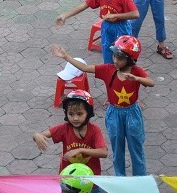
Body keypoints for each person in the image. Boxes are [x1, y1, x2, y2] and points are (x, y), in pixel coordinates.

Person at [52, 36, 154, 177]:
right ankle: (120, 179)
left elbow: (151, 82)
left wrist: (137, 79)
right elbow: (85, 68)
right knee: (117, 150)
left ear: (131, 59)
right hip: (114, 114)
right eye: (114, 56)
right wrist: (66, 57)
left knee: (136, 148)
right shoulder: (108, 69)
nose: (115, 61)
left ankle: (140, 179)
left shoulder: (136, 71)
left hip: (132, 114)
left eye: (120, 58)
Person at [33, 90, 108, 193]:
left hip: (91, 185)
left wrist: (80, 149)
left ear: (88, 113)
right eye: (71, 113)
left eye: (80, 114)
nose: (75, 118)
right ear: (66, 114)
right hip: (67, 186)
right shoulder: (64, 129)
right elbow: (43, 134)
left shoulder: (94, 131)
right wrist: (37, 136)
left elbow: (104, 152)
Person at [56, 0, 138, 64]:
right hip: (107, 27)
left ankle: (123, 78)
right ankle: (109, 77)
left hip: (121, 29)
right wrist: (65, 15)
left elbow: (135, 14)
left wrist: (116, 16)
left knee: (123, 58)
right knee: (108, 57)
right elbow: (84, 5)